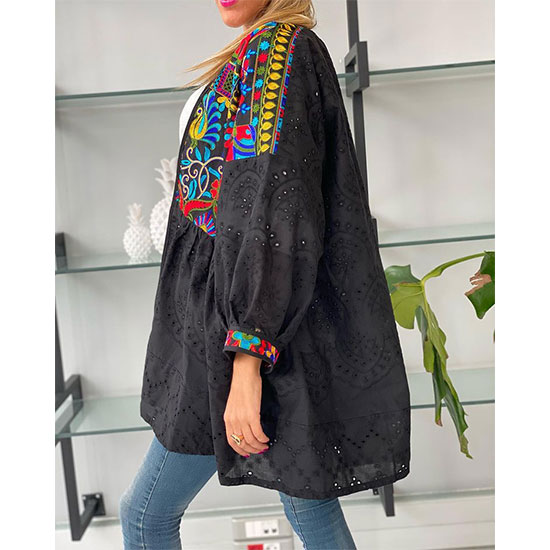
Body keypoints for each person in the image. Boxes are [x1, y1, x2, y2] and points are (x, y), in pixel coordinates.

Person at [119, 0, 411, 548]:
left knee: (144, 516)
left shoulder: (280, 53)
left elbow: (276, 213)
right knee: (309, 511)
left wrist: (247, 363)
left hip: (240, 333)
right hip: (230, 322)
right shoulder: (258, 50)